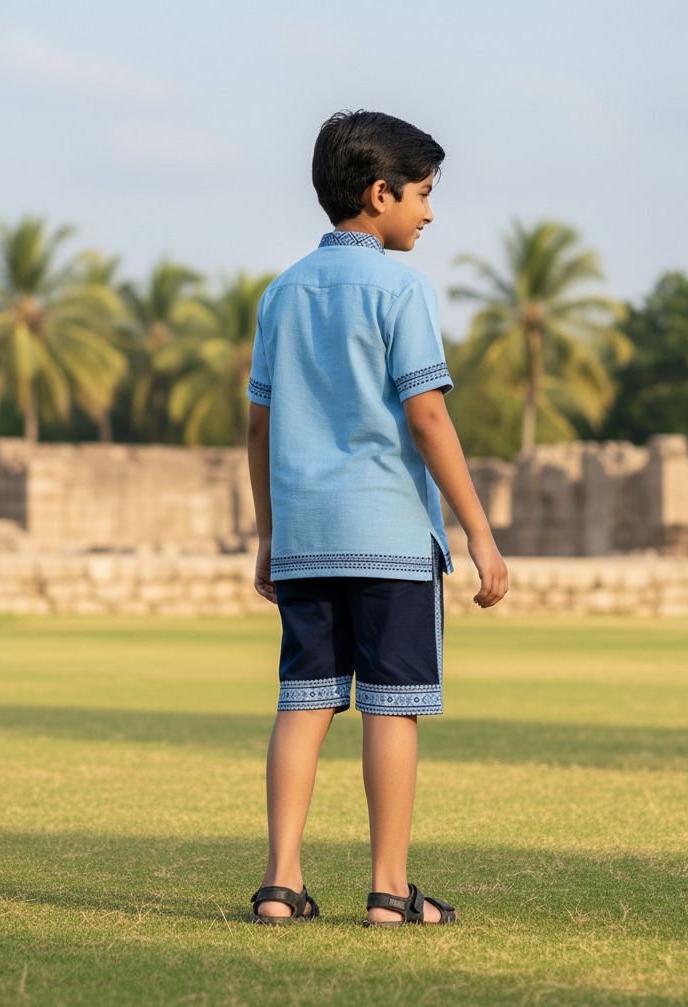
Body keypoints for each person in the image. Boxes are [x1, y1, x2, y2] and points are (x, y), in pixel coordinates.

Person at [246, 110, 508, 927]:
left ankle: (280, 885)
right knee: (394, 707)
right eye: (423, 196)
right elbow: (427, 417)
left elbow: (257, 424)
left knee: (303, 701)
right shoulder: (403, 289)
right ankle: (390, 891)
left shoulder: (281, 292)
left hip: (305, 537)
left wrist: (266, 533)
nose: (429, 214)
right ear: (380, 192)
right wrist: (479, 531)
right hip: (391, 538)